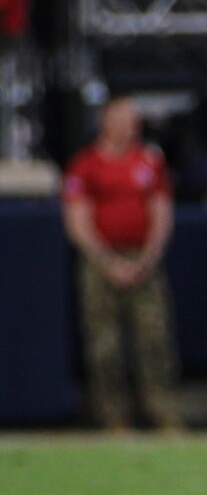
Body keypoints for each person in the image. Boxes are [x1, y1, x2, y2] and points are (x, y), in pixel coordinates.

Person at [62, 96, 184, 434]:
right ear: (105, 120)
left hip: (143, 260)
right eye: (124, 117)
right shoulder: (85, 165)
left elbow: (161, 213)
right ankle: (113, 417)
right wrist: (107, 261)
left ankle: (163, 411)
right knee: (105, 345)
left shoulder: (149, 161)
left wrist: (146, 259)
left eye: (134, 118)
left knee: (154, 338)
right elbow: (78, 221)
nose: (132, 124)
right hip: (101, 263)